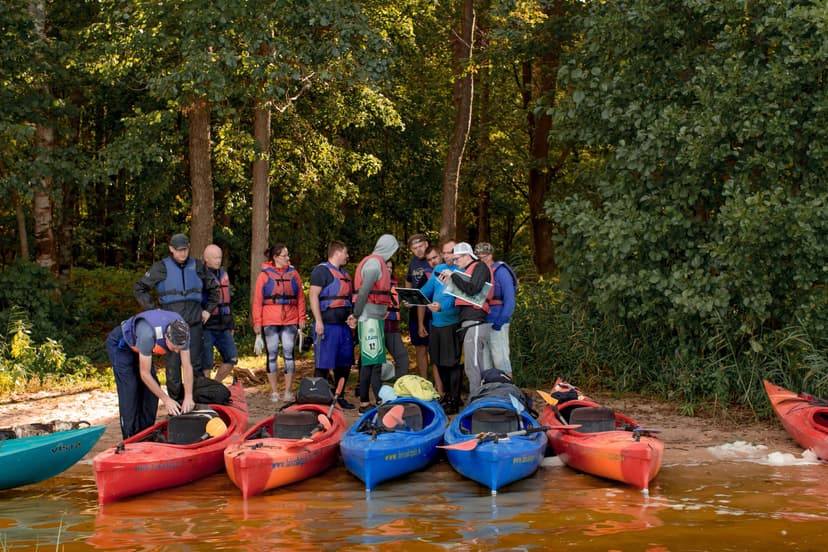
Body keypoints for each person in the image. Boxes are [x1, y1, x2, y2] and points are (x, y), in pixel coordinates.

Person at [134, 233, 218, 401]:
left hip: (194, 323)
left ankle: (194, 401)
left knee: (195, 365)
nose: (183, 254)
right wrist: (153, 311)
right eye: (179, 250)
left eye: (185, 250)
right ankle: (175, 403)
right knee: (173, 366)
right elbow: (139, 288)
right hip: (170, 326)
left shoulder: (198, 266)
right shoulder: (161, 267)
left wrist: (208, 310)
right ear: (171, 249)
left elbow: (214, 289)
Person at [105, 309, 195, 439]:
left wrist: (189, 396)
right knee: (130, 388)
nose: (176, 351)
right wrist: (166, 400)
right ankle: (130, 437)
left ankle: (146, 433)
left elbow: (187, 366)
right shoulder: (148, 334)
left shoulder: (183, 332)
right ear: (166, 337)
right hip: (121, 346)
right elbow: (145, 374)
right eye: (174, 347)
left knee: (151, 392)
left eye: (179, 348)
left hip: (142, 349)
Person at [252, 244, 307, 402]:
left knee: (289, 354)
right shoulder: (264, 276)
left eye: (287, 255)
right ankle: (274, 391)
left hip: (290, 319)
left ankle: (288, 391)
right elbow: (257, 301)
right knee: (272, 355)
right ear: (276, 257)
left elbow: (300, 298)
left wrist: (301, 318)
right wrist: (257, 322)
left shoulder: (293, 274)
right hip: (270, 320)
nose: (287, 258)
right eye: (284, 255)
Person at [439, 241, 493, 397]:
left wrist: (454, 276)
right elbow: (465, 289)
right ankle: (479, 399)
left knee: (473, 365)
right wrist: (451, 281)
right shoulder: (468, 270)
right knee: (474, 365)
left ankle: (476, 401)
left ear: (467, 256)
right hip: (468, 322)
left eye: (457, 259)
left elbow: (473, 289)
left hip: (475, 321)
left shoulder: (480, 267)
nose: (455, 263)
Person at [353, 234, 400, 412]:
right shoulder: (374, 263)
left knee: (376, 362)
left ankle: (378, 398)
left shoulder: (378, 261)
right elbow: (364, 290)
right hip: (369, 318)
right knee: (369, 362)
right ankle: (364, 403)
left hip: (376, 318)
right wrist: (356, 314)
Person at [309, 240, 356, 409]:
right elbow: (313, 296)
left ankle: (339, 396)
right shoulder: (322, 271)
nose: (347, 256)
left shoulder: (345, 275)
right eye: (346, 253)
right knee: (323, 363)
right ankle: (317, 399)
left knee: (344, 362)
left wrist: (352, 317)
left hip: (343, 326)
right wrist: (318, 321)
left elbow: (348, 301)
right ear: (338, 253)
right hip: (327, 325)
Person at [418, 244, 462, 413]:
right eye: (444, 252)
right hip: (436, 324)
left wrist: (442, 307)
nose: (446, 255)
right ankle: (446, 397)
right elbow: (427, 290)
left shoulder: (460, 271)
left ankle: (455, 400)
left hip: (451, 322)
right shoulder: (439, 269)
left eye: (450, 252)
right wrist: (414, 298)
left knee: (452, 363)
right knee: (438, 362)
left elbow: (455, 296)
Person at [475, 242, 518, 374]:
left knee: (501, 361)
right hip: (483, 321)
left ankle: (506, 391)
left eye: (484, 256)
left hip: (497, 321)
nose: (482, 259)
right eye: (479, 257)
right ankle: (489, 392)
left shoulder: (501, 271)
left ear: (490, 255)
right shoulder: (480, 272)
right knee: (485, 363)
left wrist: (500, 322)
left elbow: (510, 300)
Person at [202, 244, 238, 382]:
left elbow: (227, 302)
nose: (218, 260)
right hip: (207, 326)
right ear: (206, 258)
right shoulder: (200, 276)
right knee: (206, 364)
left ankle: (215, 385)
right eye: (215, 258)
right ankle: (206, 391)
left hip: (223, 324)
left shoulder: (223, 274)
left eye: (220, 257)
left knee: (232, 357)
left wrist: (231, 323)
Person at [405, 234, 432, 382]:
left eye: (421, 246)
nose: (419, 250)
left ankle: (439, 382)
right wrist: (408, 297)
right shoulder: (413, 262)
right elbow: (409, 280)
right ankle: (424, 381)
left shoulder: (433, 259)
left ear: (426, 244)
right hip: (416, 308)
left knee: (434, 348)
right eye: (415, 248)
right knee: (420, 348)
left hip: (433, 308)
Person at [384, 258, 410, 380]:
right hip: (376, 327)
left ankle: (400, 386)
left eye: (390, 267)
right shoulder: (373, 283)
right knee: (371, 360)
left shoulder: (395, 285)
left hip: (392, 328)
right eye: (386, 267)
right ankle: (362, 387)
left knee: (402, 358)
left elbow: (398, 305)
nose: (389, 269)